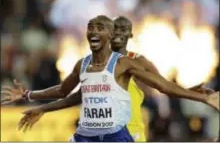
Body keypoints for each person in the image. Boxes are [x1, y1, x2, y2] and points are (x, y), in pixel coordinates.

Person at [2, 16, 219, 141]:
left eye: (101, 28)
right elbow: (71, 94)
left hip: (128, 132)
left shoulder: (132, 62)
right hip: (89, 134)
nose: (119, 34)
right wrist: (30, 97)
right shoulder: (84, 63)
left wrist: (196, 95)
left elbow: (162, 85)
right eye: (91, 28)